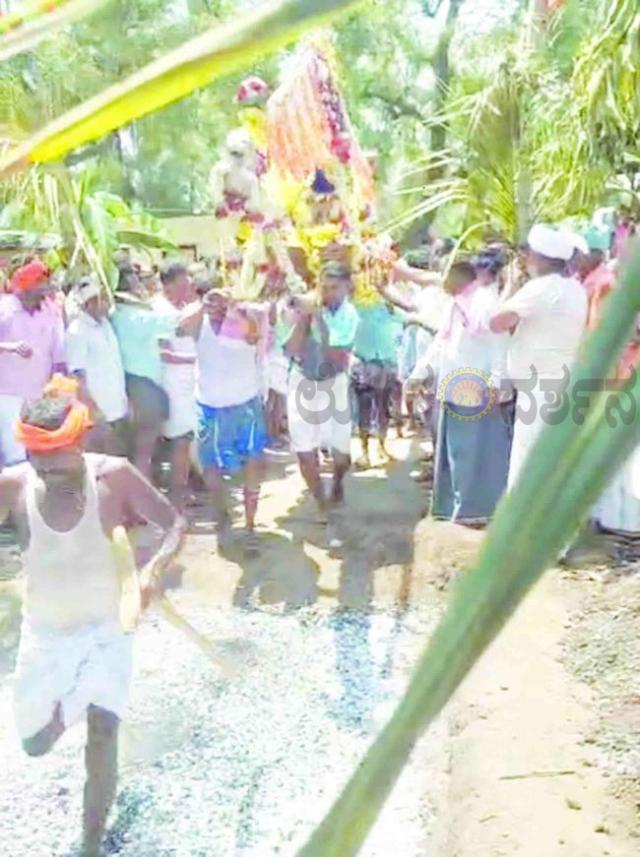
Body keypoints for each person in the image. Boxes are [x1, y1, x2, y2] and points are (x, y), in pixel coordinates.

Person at [0, 379, 185, 857]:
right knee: (35, 744)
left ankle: (90, 847)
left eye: (57, 462)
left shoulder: (114, 476)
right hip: (45, 635)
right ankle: (68, 708)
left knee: (103, 733)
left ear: (79, 443)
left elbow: (174, 524)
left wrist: (153, 571)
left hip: (107, 630)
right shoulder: (14, 485)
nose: (47, 472)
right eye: (39, 461)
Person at [491, 224, 588, 488]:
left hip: (539, 387)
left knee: (528, 460)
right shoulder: (576, 289)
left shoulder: (539, 288)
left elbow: (496, 322)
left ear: (540, 258)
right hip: (567, 382)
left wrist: (510, 285)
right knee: (559, 458)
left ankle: (524, 524)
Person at [179, 289, 268, 553]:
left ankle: (251, 526)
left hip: (246, 404)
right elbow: (180, 329)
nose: (218, 310)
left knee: (254, 463)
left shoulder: (246, 316)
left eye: (221, 304)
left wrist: (237, 309)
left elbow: (253, 336)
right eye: (213, 304)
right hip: (210, 407)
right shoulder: (198, 321)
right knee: (211, 469)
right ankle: (222, 515)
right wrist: (203, 304)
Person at [424, 261, 512, 523]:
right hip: (452, 387)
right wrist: (420, 374)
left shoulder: (485, 302)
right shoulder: (455, 304)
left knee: (474, 450)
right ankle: (453, 506)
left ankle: (477, 509)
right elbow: (441, 343)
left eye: (446, 274)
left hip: (477, 388)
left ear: (459, 275)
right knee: (454, 452)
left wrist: (496, 381)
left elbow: (499, 343)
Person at [285, 262, 359, 514]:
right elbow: (291, 349)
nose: (327, 293)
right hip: (302, 381)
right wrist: (305, 318)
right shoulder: (308, 308)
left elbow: (335, 354)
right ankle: (321, 502)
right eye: (323, 287)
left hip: (333, 384)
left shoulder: (349, 315)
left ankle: (337, 481)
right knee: (304, 450)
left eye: (334, 288)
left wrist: (315, 316)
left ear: (347, 287)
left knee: (341, 456)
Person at [111, 265, 176, 481]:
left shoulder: (115, 315)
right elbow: (174, 324)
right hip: (144, 386)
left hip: (130, 384)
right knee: (144, 452)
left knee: (137, 451)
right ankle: (142, 505)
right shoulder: (136, 316)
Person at [0, 260, 66, 467]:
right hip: (8, 396)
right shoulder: (4, 309)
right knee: (15, 459)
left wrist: (58, 386)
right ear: (28, 283)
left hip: (39, 397)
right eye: (42, 281)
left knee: (39, 455)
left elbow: (59, 357)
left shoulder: (51, 312)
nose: (47, 286)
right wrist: (9, 347)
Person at [65, 276, 129, 455]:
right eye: (99, 299)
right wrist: (93, 411)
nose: (105, 303)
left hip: (117, 408)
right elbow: (77, 377)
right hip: (98, 413)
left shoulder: (106, 324)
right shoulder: (77, 331)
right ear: (88, 303)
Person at [154, 263, 198, 510]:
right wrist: (194, 360)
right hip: (172, 384)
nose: (187, 289)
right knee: (181, 440)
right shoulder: (161, 311)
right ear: (169, 285)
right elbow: (163, 352)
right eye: (183, 285)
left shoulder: (177, 308)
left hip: (185, 384)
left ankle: (183, 489)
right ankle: (177, 494)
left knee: (186, 439)